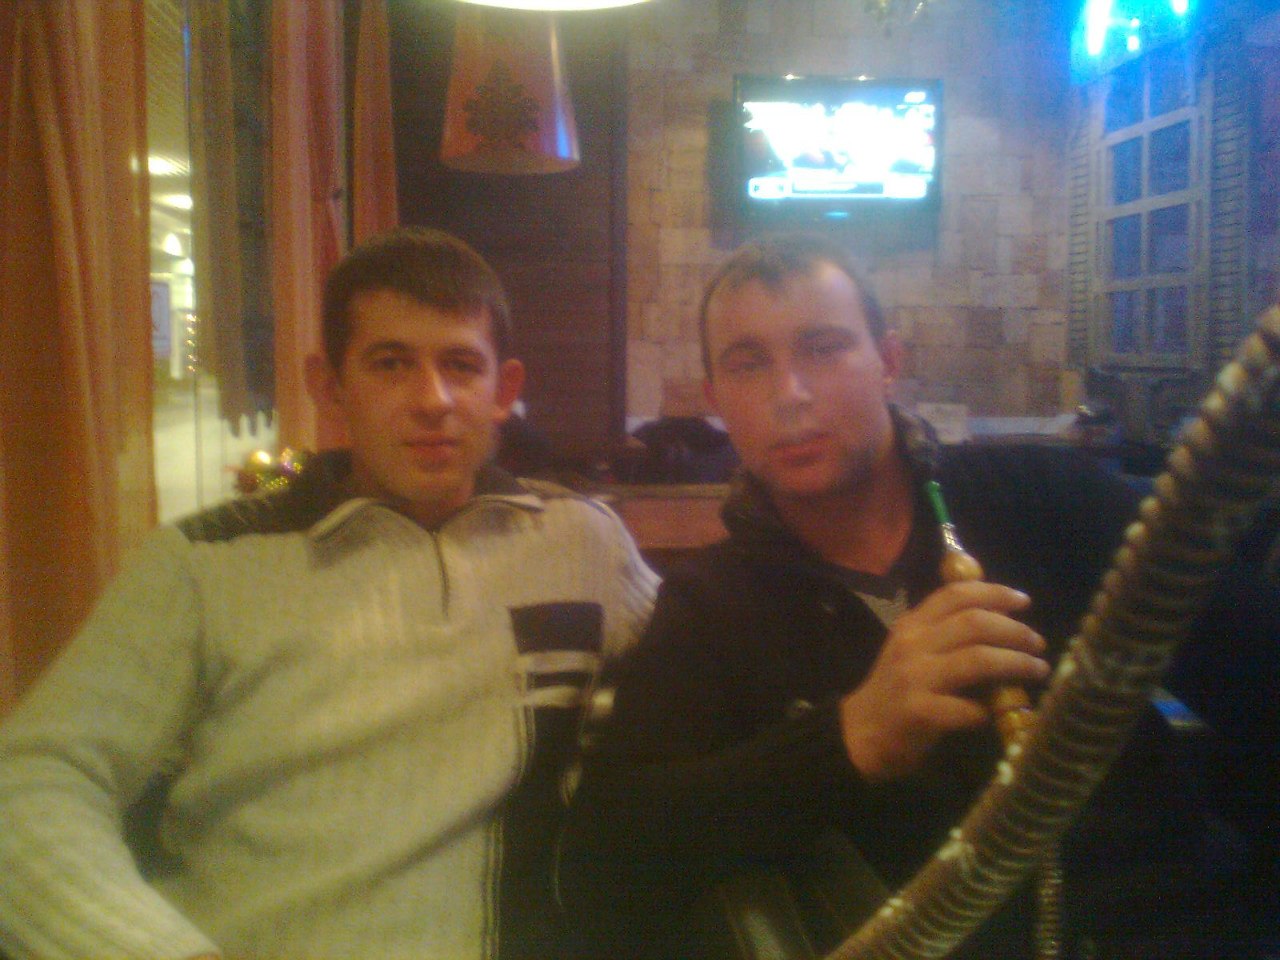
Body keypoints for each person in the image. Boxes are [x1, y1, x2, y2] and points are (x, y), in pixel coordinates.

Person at [558, 233, 1275, 959]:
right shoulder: (710, 606)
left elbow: (1257, 679)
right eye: (748, 364)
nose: (789, 394)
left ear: (888, 363)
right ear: (716, 400)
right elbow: (602, 863)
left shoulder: (1047, 497)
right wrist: (849, 740)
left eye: (823, 348)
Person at [0, 227, 659, 960]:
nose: (433, 400)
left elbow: (710, 667)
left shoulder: (581, 541)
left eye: (460, 366)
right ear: (330, 386)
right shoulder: (205, 565)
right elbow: (32, 784)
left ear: (502, 392)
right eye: (391, 364)